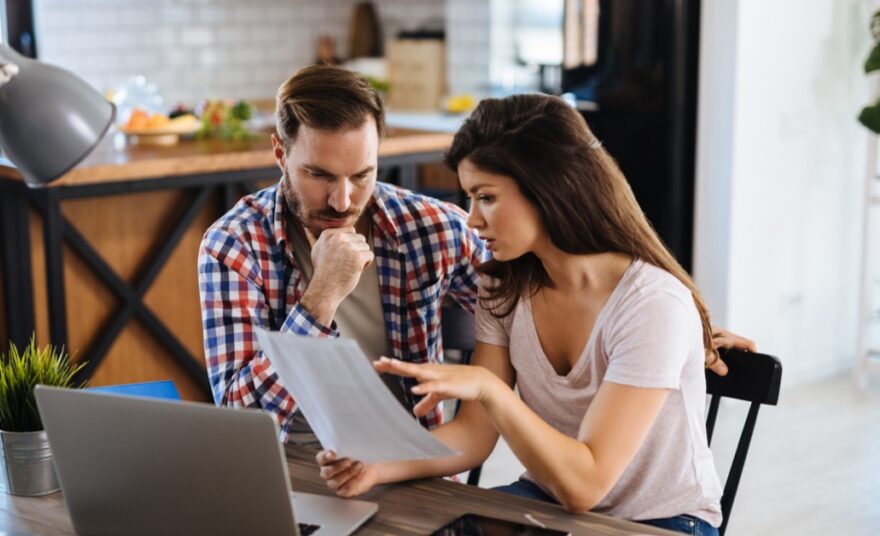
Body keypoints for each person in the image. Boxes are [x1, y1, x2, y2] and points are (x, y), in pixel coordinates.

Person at [316, 94, 755, 535]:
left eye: (486, 197)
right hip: (550, 504)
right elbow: (473, 436)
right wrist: (375, 464)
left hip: (662, 522)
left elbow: (586, 484)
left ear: (549, 187)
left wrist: (491, 389)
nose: (472, 220)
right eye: (469, 198)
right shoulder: (504, 285)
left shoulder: (652, 304)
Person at [197, 65, 488, 444]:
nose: (343, 201)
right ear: (280, 154)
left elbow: (526, 319)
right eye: (320, 175)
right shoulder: (234, 245)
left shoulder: (432, 227)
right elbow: (241, 419)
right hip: (290, 468)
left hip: (411, 465)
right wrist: (320, 299)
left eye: (361, 175)